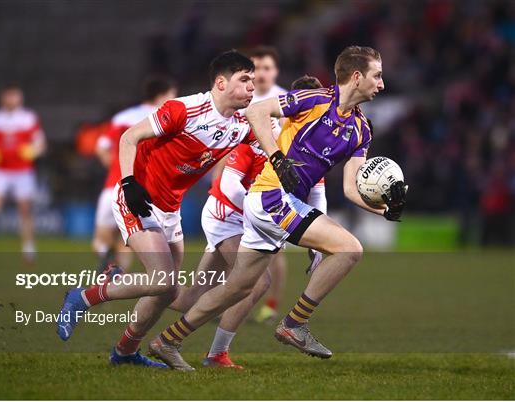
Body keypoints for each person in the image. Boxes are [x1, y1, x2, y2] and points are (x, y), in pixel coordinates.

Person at [152, 46, 407, 367]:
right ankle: (294, 324)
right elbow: (256, 112)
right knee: (349, 249)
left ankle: (167, 340)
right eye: (377, 75)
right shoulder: (314, 99)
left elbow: (351, 189)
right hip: (271, 196)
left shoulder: (362, 130)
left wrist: (385, 210)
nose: (382, 84)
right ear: (356, 77)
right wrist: (276, 157)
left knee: (238, 287)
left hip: (281, 206)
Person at [56, 50, 257, 371]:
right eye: (244, 79)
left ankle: (124, 352)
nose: (252, 86)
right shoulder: (185, 109)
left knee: (170, 293)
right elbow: (129, 137)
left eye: (253, 80)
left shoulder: (240, 125)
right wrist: (129, 182)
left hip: (169, 209)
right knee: (163, 282)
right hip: (137, 198)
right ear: (221, 83)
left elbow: (275, 128)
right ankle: (82, 297)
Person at [194, 74, 327, 369]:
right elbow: (229, 187)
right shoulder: (263, 132)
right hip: (226, 214)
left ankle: (103, 295)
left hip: (251, 217)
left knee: (187, 294)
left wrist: (319, 243)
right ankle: (209, 352)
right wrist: (264, 212)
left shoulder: (311, 147)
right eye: (317, 107)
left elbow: (318, 194)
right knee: (254, 282)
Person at [92, 75, 177, 272]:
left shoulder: (123, 117)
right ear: (162, 95)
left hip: (113, 184)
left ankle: (104, 256)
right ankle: (118, 280)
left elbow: (101, 147)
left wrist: (116, 166)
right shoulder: (167, 118)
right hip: (145, 189)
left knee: (100, 238)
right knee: (127, 240)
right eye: (172, 94)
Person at [0, 84, 46, 264]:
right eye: (9, 96)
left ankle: (29, 250)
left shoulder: (28, 118)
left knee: (25, 210)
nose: (12, 99)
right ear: (3, 98)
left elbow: (41, 144)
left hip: (23, 172)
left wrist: (32, 152)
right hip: (1, 172)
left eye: (15, 96)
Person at [247, 46, 289, 323]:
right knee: (241, 246)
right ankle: (238, 300)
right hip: (242, 178)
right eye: (256, 68)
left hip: (275, 181)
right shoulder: (242, 98)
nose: (261, 74)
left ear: (275, 71)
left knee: (274, 251)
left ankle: (271, 304)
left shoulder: (287, 100)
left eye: (266, 68)